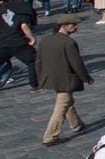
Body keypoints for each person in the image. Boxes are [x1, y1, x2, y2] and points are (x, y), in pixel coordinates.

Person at [33, 15, 94, 146]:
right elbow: (77, 64)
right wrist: (86, 78)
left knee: (68, 101)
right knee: (61, 106)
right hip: (65, 80)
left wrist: (40, 79)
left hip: (51, 78)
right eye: (73, 24)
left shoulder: (45, 40)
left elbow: (38, 61)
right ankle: (50, 136)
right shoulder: (69, 42)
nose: (76, 26)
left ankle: (76, 124)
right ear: (64, 26)